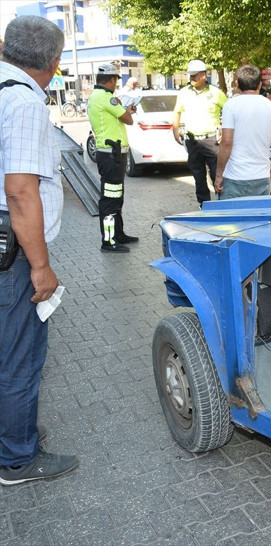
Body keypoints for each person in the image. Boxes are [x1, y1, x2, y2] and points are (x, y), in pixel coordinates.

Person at [0, 15, 79, 485]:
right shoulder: (24, 103)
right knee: (20, 355)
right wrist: (41, 267)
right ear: (52, 63)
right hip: (14, 248)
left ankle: (14, 430)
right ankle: (17, 457)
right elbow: (21, 191)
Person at [87, 63, 139, 253]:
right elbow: (129, 120)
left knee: (116, 197)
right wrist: (124, 110)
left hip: (112, 155)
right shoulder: (106, 98)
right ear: (111, 80)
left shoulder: (98, 97)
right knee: (110, 200)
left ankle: (118, 234)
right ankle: (108, 241)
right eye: (116, 79)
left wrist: (123, 109)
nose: (116, 83)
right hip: (111, 156)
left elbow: (118, 117)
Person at [215, 65, 271, 198]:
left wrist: (219, 175)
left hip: (234, 177)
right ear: (259, 84)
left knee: (231, 218)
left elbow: (226, 142)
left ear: (237, 84)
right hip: (261, 176)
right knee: (259, 218)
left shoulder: (231, 106)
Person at [172, 60, 228, 206]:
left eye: (195, 75)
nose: (191, 78)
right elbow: (177, 112)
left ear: (204, 75)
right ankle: (204, 207)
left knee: (218, 174)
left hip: (211, 141)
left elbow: (229, 111)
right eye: (190, 75)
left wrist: (224, 129)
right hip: (193, 141)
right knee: (198, 176)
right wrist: (175, 130)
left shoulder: (216, 93)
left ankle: (221, 205)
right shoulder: (184, 93)